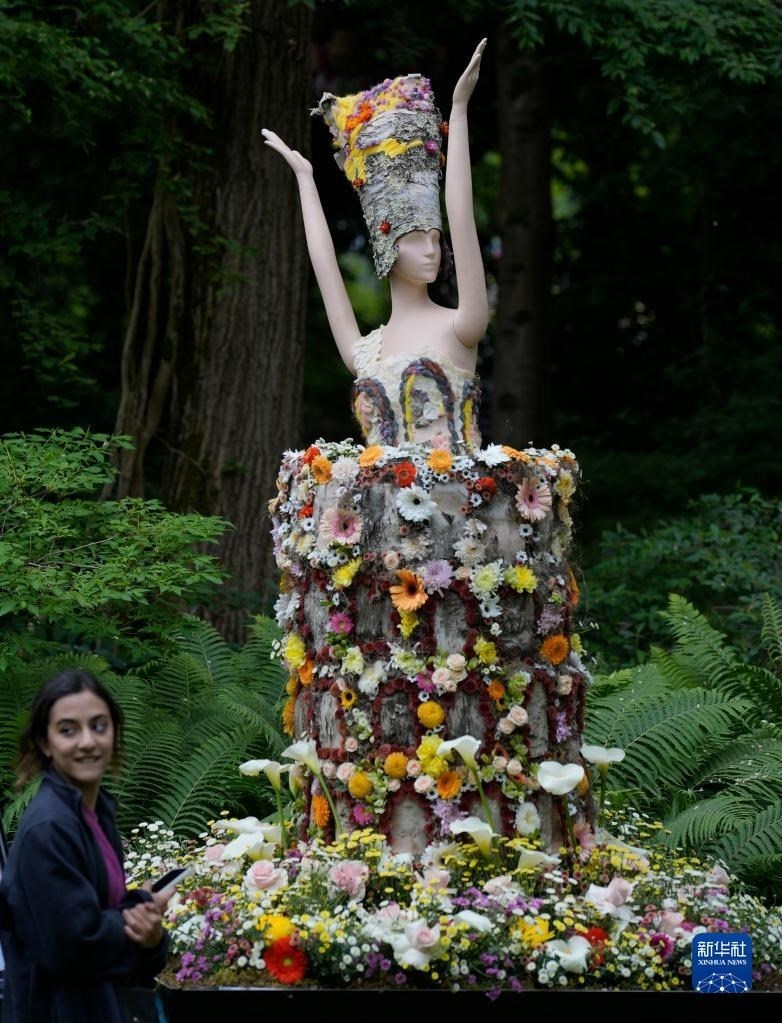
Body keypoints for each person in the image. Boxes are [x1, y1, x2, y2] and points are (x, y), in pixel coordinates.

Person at [262, 38, 489, 452]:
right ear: (387, 248)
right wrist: (306, 180)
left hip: (455, 492)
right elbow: (325, 268)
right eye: (415, 240)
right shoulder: (365, 351)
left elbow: (461, 216)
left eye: (435, 240)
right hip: (381, 495)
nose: (431, 251)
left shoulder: (462, 326)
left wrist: (458, 112)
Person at [0, 669, 170, 1023]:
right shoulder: (48, 829)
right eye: (68, 730)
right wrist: (136, 920)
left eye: (98, 726)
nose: (87, 742)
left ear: (114, 732)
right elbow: (75, 943)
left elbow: (103, 916)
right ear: (45, 743)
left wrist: (149, 930)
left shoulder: (96, 813)